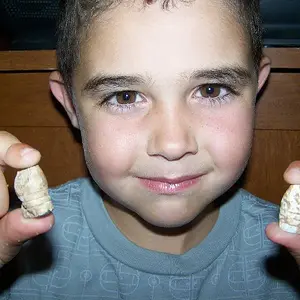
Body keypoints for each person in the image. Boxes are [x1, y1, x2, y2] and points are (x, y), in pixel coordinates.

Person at [0, 0, 300, 298]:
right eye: (126, 97)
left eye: (211, 89)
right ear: (71, 106)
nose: (172, 145)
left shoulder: (292, 251)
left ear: (256, 88)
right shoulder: (15, 246)